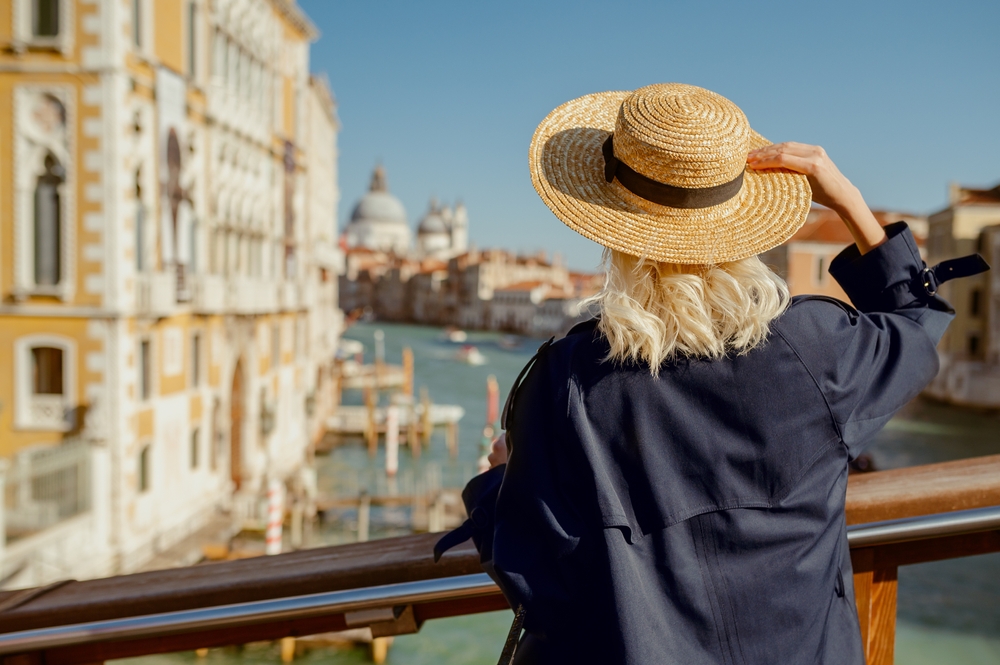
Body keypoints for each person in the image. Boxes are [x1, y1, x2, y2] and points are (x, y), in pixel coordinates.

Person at [435, 83, 987, 664]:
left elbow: (535, 575)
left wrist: (500, 481)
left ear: (610, 226)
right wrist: (849, 201)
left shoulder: (563, 382)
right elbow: (918, 324)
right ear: (740, 219)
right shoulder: (814, 350)